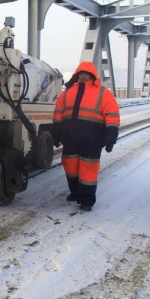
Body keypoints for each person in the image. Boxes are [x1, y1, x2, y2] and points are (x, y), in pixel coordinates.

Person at [52, 62, 120, 212]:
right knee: (70, 166)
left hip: (92, 140)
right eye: (80, 74)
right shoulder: (67, 92)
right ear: (76, 75)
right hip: (71, 138)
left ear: (92, 76)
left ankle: (86, 200)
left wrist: (110, 137)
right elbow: (58, 114)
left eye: (86, 74)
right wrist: (56, 134)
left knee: (88, 169)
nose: (83, 76)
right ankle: (75, 192)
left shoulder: (103, 93)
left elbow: (112, 116)